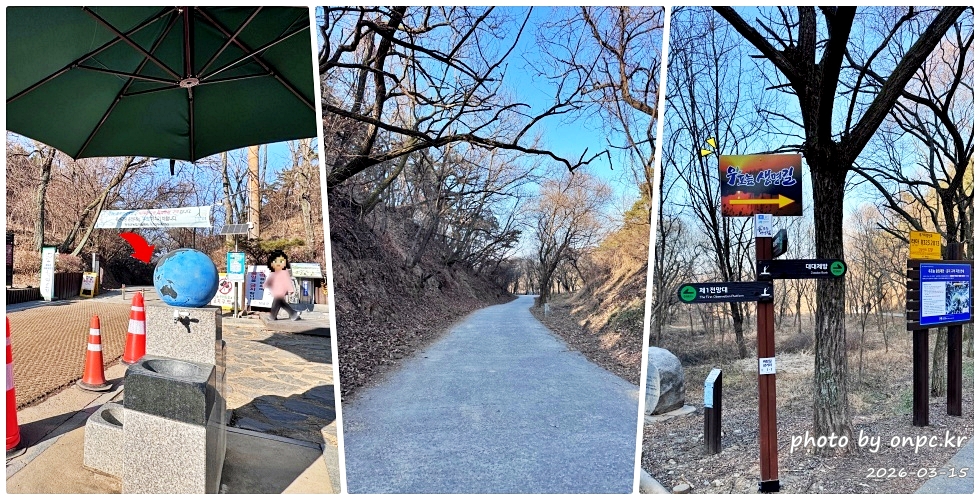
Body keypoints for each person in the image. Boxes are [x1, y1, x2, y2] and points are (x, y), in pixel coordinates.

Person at [263, 250, 300, 321]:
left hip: (281, 289)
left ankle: (273, 316)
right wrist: (266, 284)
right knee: (281, 303)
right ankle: (293, 314)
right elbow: (270, 279)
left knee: (277, 302)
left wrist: (290, 289)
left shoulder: (284, 271)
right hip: (276, 289)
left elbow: (287, 281)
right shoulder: (274, 271)